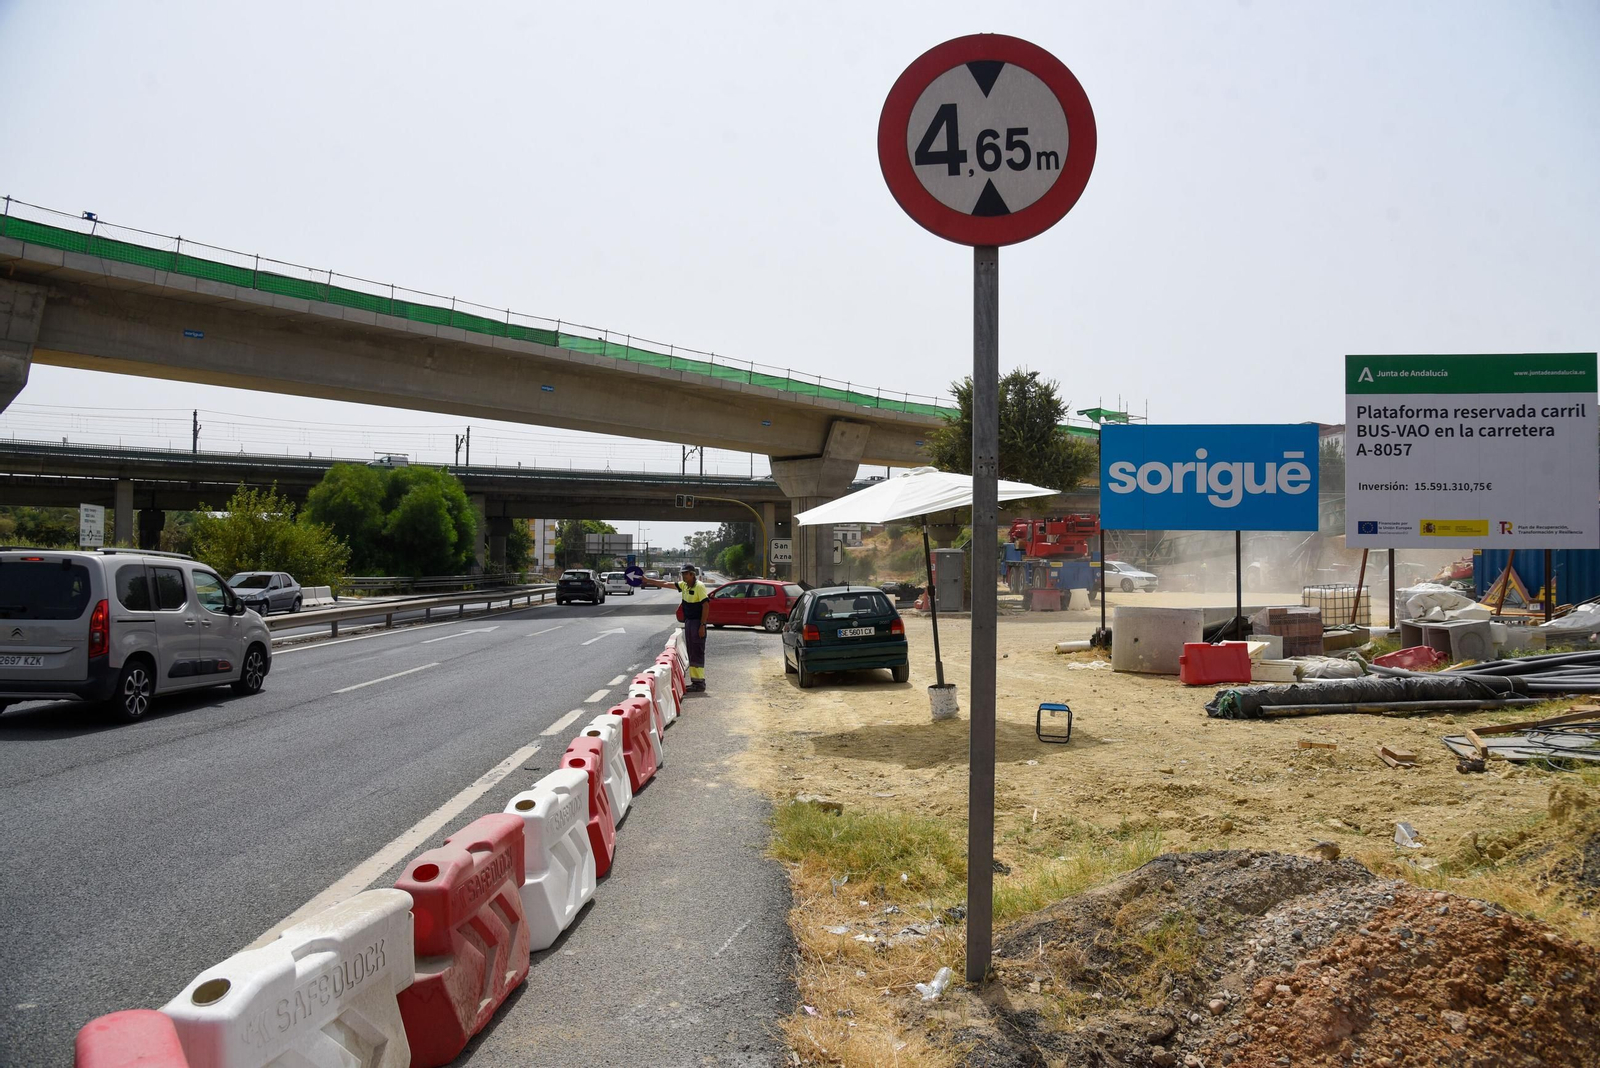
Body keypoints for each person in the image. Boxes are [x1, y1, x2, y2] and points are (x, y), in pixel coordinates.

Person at [641, 563, 710, 691]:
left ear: (692, 574)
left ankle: (699, 683)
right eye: (682, 573)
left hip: (697, 623)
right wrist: (648, 580)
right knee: (691, 651)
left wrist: (702, 625)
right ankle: (696, 682)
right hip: (689, 622)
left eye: (685, 573)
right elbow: (666, 584)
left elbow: (706, 606)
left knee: (697, 651)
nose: (683, 576)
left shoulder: (699, 586)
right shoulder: (684, 585)